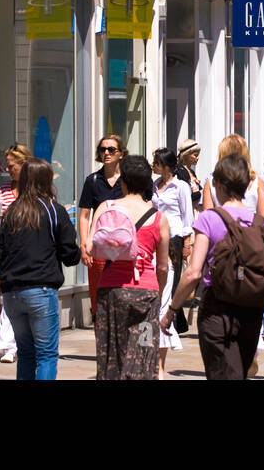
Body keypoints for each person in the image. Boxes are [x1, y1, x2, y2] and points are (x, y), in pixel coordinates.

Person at [160, 155, 264, 380]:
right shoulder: (261, 223)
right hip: (252, 309)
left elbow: (194, 272)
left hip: (217, 309)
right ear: (247, 186)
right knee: (238, 373)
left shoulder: (209, 219)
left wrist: (171, 311)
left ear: (217, 184)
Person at [0, 158, 82, 379]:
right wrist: (78, 252)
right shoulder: (53, 210)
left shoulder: (11, 213)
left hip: (12, 294)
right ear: (47, 180)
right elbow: (69, 254)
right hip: (41, 290)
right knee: (47, 354)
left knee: (26, 353)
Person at [89, 155, 169, 381]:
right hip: (146, 293)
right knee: (144, 352)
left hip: (110, 291)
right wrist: (159, 292)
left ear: (123, 181)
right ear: (147, 183)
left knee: (111, 355)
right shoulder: (158, 218)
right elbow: (162, 266)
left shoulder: (106, 208)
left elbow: (89, 247)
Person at [151, 147, 193, 376]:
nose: (153, 165)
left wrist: (187, 243)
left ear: (166, 165)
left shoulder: (181, 187)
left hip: (174, 240)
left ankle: (160, 365)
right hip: (154, 239)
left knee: (165, 296)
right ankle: (154, 360)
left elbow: (187, 216)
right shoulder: (154, 185)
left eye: (156, 162)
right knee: (155, 298)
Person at [80, 135, 126, 327]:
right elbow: (84, 217)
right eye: (102, 149)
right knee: (98, 298)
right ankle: (103, 346)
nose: (106, 153)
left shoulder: (128, 180)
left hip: (124, 247)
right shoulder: (93, 180)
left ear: (121, 154)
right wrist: (84, 245)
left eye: (111, 149)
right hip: (98, 247)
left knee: (122, 296)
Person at [0, 143, 28, 364]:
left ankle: (22, 342)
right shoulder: (2, 190)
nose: (8, 169)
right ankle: (8, 345)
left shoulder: (34, 190)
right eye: (8, 165)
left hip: (27, 250)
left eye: (12, 166)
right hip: (7, 249)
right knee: (7, 295)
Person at [176, 139, 205, 213]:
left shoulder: (191, 171)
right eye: (195, 155)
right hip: (187, 212)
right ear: (186, 155)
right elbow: (187, 196)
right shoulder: (180, 172)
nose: (198, 158)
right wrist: (203, 191)